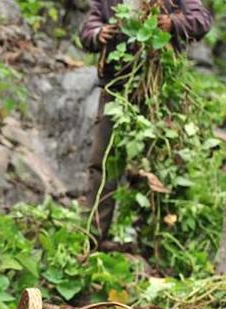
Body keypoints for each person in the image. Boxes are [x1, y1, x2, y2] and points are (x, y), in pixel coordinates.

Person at [80, 0, 212, 248]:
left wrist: (173, 23)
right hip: (116, 88)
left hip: (158, 88)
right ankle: (94, 238)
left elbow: (202, 19)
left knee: (156, 162)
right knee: (103, 163)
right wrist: (98, 34)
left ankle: (152, 241)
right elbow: (88, 27)